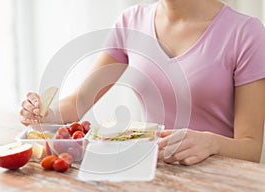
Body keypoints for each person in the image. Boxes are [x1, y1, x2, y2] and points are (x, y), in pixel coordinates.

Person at [19, 0, 265, 165]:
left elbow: (251, 149)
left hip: (220, 179)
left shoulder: (245, 33)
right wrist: (44, 113)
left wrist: (211, 142)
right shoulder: (131, 21)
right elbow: (78, 103)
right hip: (150, 175)